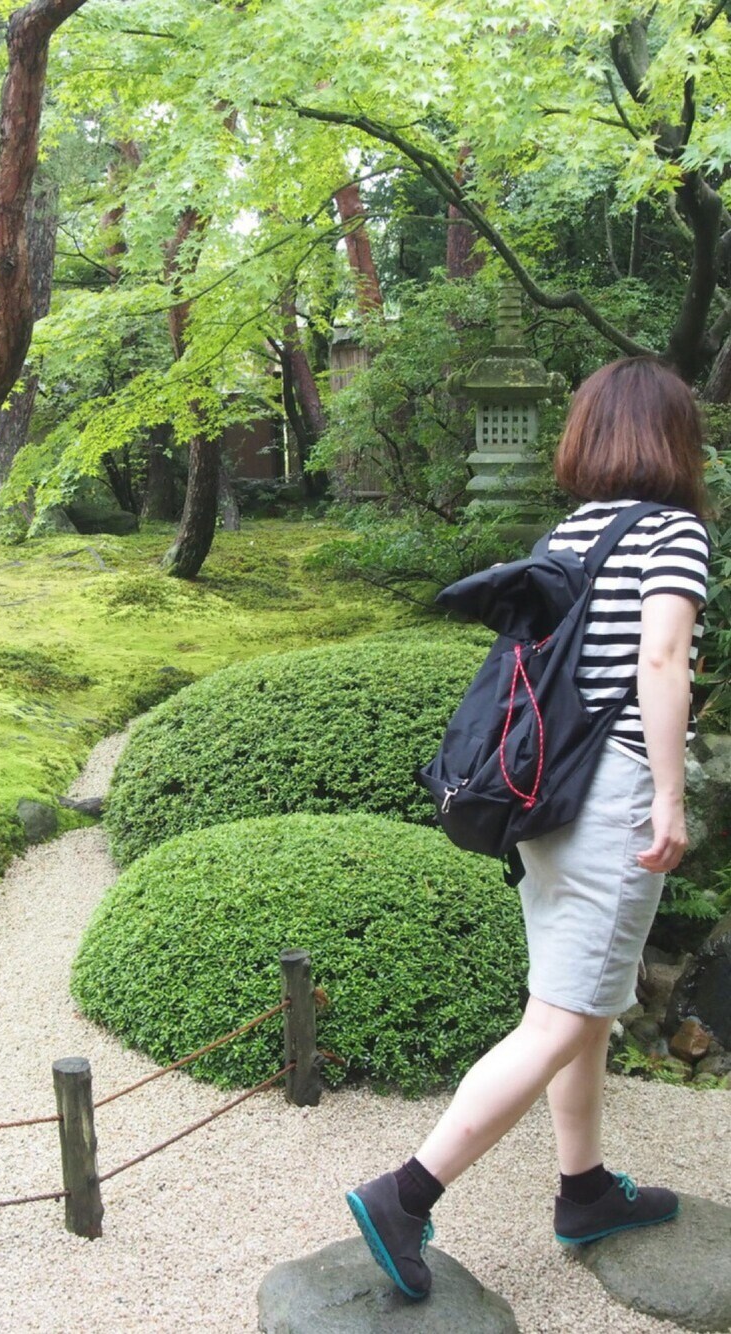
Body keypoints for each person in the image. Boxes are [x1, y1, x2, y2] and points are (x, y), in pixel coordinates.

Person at [346, 356, 712, 1301]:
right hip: (616, 791)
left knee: (577, 1003)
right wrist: (670, 797)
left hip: (546, 798)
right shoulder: (672, 532)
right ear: (675, 439)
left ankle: (584, 1189)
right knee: (561, 1018)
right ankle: (405, 1195)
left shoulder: (571, 533)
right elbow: (663, 661)